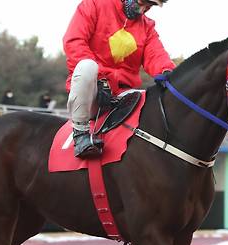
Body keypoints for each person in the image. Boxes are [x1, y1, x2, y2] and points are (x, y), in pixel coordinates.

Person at [63, 0, 175, 158]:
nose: (142, 10)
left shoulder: (147, 26)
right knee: (87, 66)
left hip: (124, 95)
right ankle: (80, 134)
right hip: (92, 90)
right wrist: (101, 79)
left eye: (149, 6)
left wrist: (168, 72)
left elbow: (156, 55)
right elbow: (74, 42)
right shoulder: (94, 4)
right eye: (142, 3)